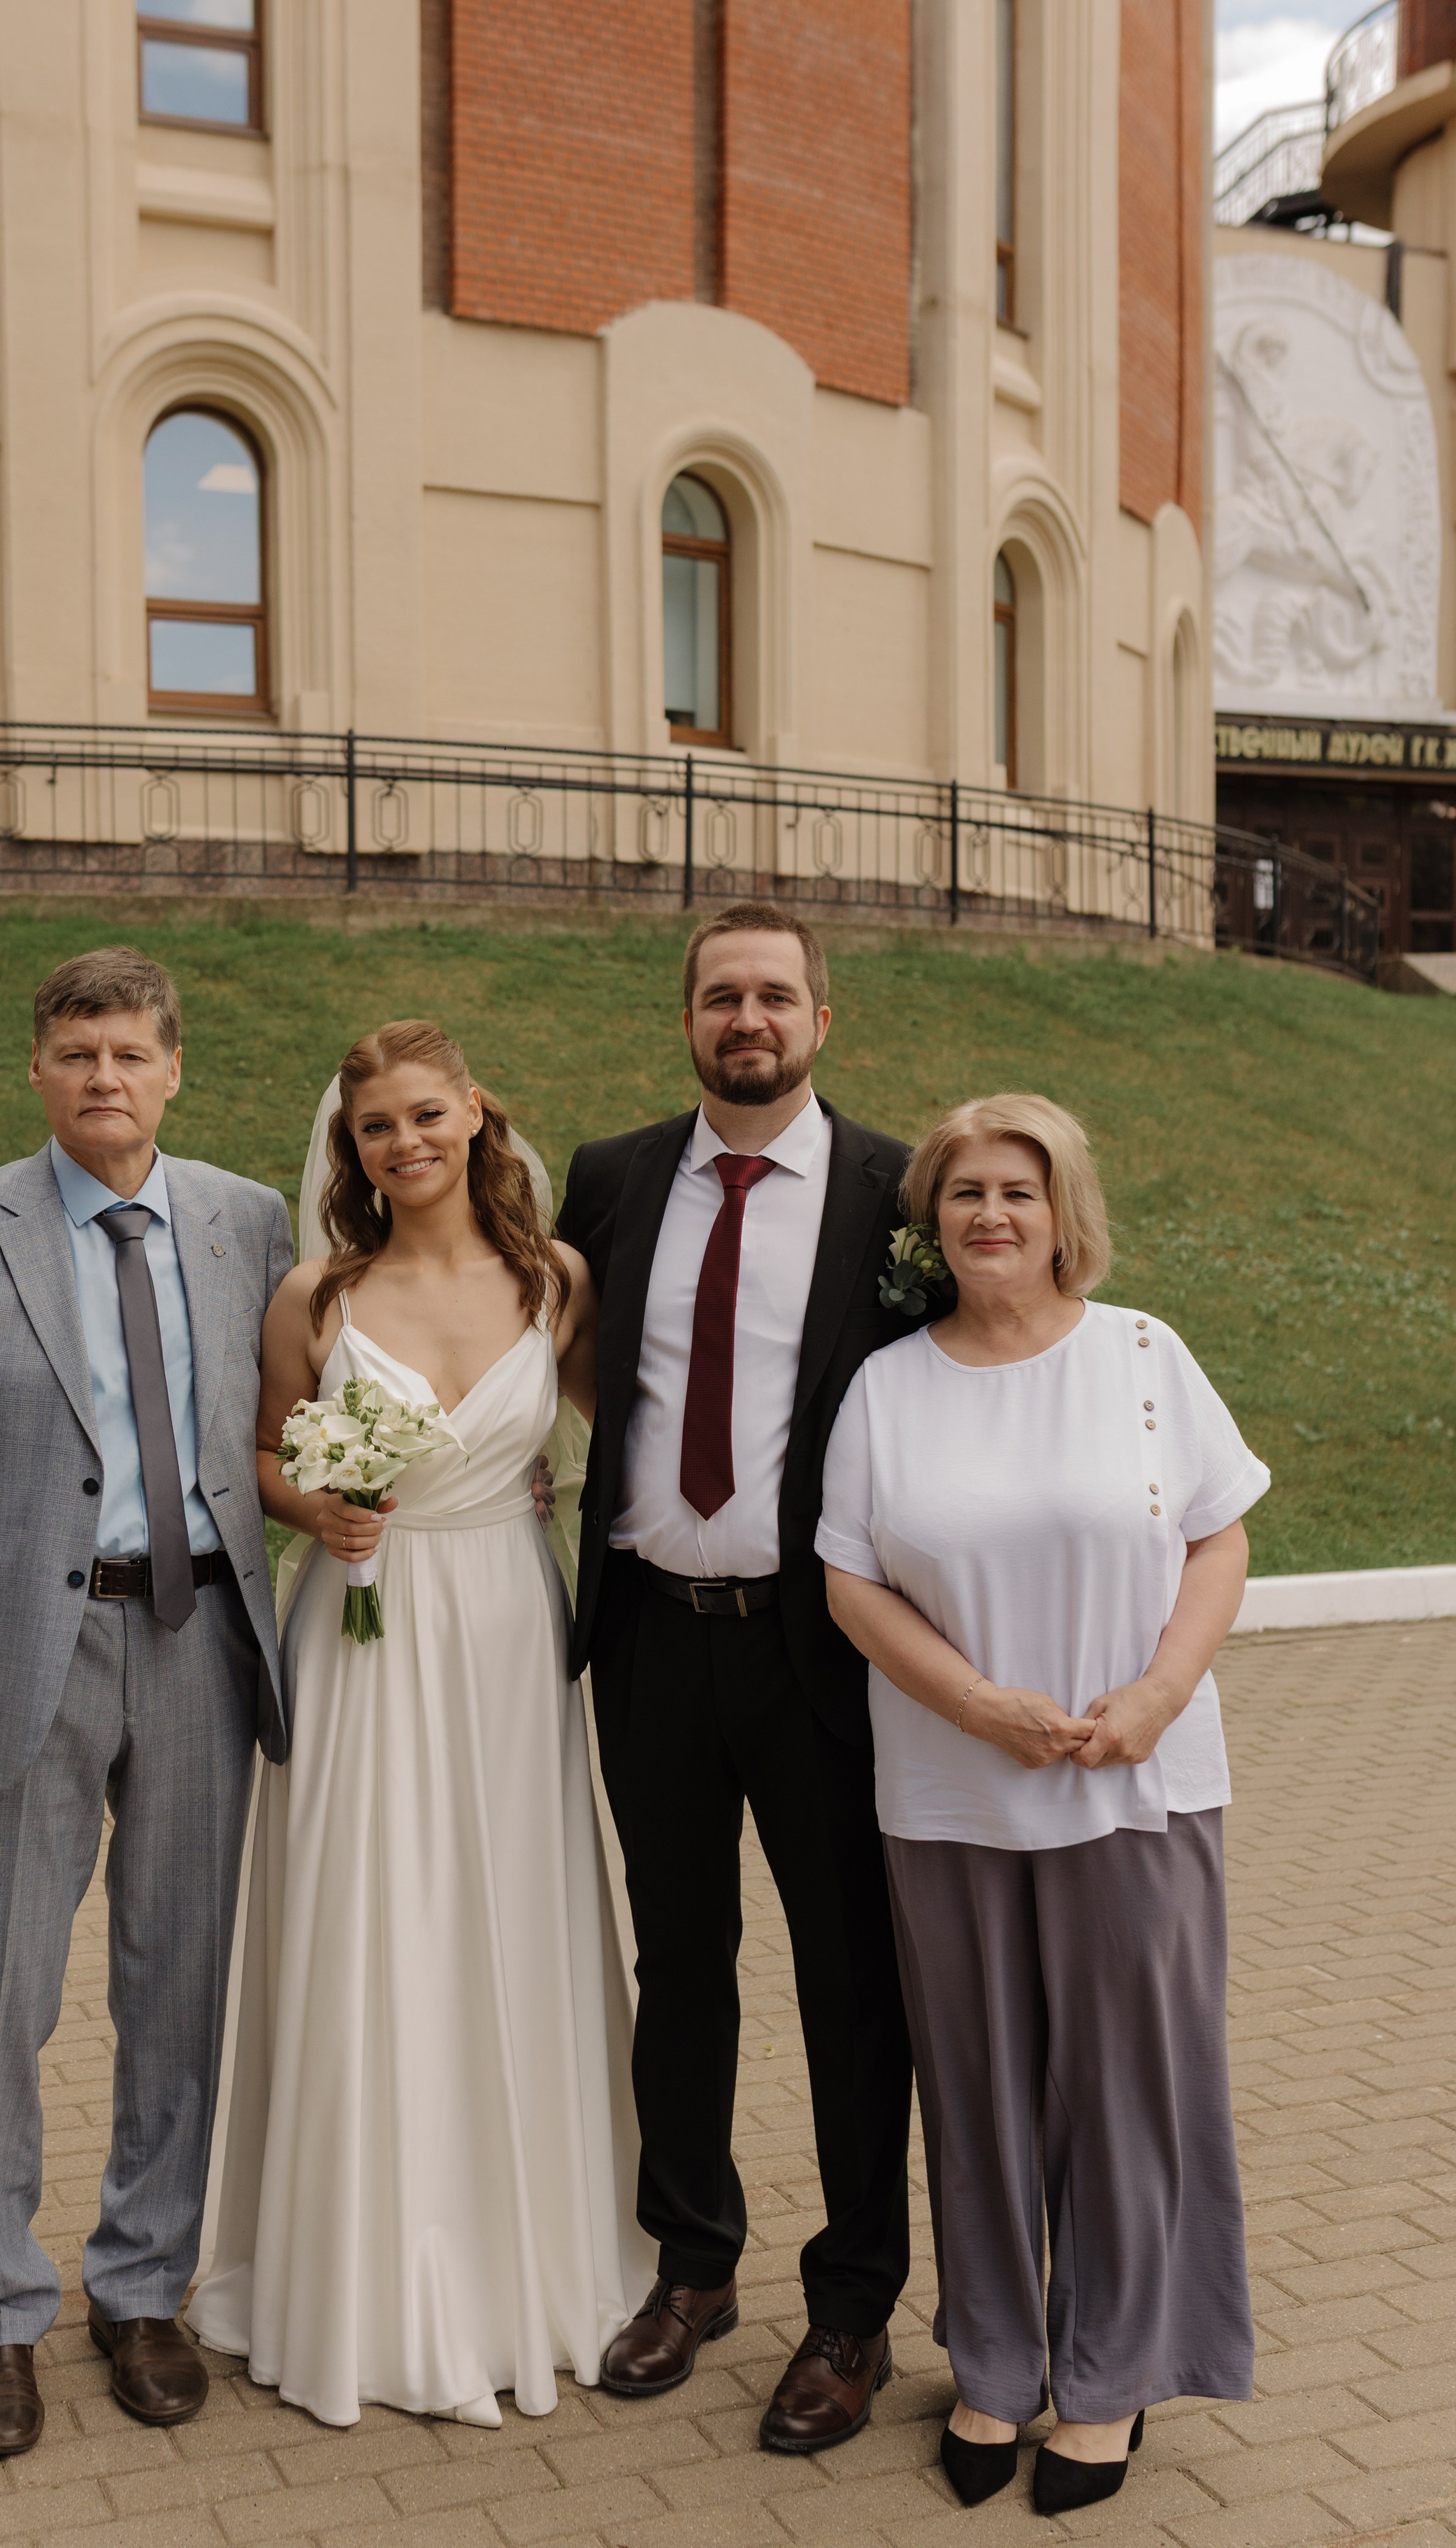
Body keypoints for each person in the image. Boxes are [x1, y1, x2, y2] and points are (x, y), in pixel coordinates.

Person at [0, 948, 292, 2460]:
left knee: (177, 1991)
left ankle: (143, 2285)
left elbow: (275, 1432)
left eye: (131, 1053)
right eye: (76, 1052)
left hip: (202, 1650)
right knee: (0, 2006)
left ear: (176, 1071)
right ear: (36, 1072)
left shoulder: (246, 1223)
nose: (105, 1076)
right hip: (6, 1666)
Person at [189, 1021, 647, 2427]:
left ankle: (532, 2259)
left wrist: (551, 1496)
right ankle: (357, 2274)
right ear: (354, 1150)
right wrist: (312, 1505)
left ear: (475, 1118)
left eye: (424, 1116)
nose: (403, 1144)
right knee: (365, 1920)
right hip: (360, 1632)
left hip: (507, 1635)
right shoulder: (316, 1297)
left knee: (508, 1917)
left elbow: (615, 1428)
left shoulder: (554, 1281)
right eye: (375, 1128)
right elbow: (262, 1452)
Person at [816, 1094, 1264, 2514]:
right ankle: (996, 2362)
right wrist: (976, 1705)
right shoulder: (888, 1385)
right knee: (978, 2093)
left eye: (1017, 1191)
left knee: (1124, 2094)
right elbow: (848, 1581)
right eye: (961, 1195)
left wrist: (1153, 1695)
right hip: (949, 1791)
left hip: (1133, 1784)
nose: (989, 1215)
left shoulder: (1142, 1355)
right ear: (927, 1222)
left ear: (1063, 1211)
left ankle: (1112, 2373)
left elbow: (1215, 1533)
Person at [554, 904, 916, 2456]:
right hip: (646, 1632)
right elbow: (571, 1372)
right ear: (685, 1018)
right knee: (677, 1968)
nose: (744, 1019)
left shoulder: (898, 1189)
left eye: (773, 995)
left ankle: (850, 2309)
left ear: (819, 1018)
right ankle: (691, 2264)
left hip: (816, 1647)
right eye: (719, 996)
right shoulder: (614, 1177)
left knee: (850, 1980)